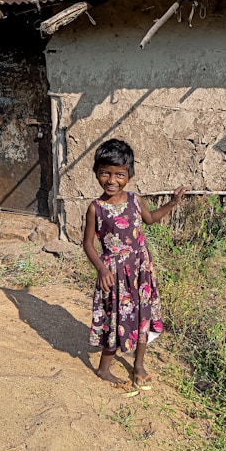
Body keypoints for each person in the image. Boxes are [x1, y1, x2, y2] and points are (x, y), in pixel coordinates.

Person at [83, 139, 188, 390]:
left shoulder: (134, 200)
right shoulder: (96, 208)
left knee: (142, 316)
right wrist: (101, 269)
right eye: (105, 173)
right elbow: (87, 244)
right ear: (96, 172)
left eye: (119, 174)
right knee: (114, 319)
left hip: (141, 272)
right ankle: (103, 369)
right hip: (114, 275)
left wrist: (172, 203)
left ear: (129, 175)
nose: (111, 180)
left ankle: (139, 365)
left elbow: (150, 219)